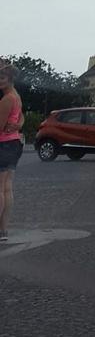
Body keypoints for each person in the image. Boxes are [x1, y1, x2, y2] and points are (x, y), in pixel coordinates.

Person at [0, 61, 24, 241]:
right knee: (7, 189)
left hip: (3, 144)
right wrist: (18, 125)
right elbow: (20, 116)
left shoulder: (6, 99)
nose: (0, 82)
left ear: (10, 80)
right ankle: (3, 230)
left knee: (1, 189)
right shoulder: (16, 96)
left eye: (2, 79)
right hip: (14, 143)